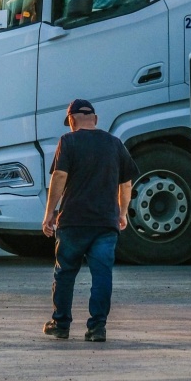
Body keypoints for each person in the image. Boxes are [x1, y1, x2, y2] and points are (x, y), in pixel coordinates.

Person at [41, 98, 138, 342]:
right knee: (102, 275)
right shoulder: (115, 144)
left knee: (65, 273)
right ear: (95, 119)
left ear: (71, 121)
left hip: (73, 221)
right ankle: (97, 328)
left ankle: (60, 324)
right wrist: (122, 213)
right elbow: (126, 183)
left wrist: (49, 213)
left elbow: (60, 176)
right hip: (105, 224)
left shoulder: (68, 141)